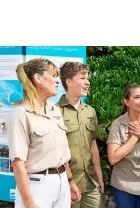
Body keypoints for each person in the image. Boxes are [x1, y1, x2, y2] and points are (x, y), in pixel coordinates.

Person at [8, 58, 80, 208]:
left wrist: (70, 181)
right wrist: (28, 202)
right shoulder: (21, 114)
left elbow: (61, 153)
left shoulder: (55, 110)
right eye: (53, 76)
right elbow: (18, 163)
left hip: (61, 183)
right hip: (38, 186)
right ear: (38, 78)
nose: (57, 81)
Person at [57, 62, 104, 208]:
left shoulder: (90, 111)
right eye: (83, 78)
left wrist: (100, 177)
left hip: (91, 182)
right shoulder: (55, 112)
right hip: (67, 183)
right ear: (69, 81)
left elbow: (93, 145)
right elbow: (58, 150)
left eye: (88, 78)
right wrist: (70, 181)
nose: (88, 82)